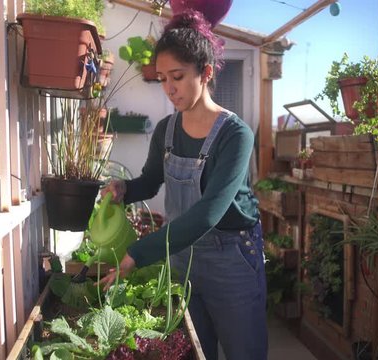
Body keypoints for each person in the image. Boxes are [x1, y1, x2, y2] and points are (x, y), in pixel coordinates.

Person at [99, 9, 267, 360]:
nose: (168, 88)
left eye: (176, 76)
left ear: (205, 73)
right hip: (182, 257)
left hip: (231, 257)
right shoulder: (166, 130)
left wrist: (137, 254)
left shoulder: (235, 135)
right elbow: (150, 181)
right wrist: (125, 189)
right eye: (161, 78)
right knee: (193, 350)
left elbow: (208, 214)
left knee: (244, 352)